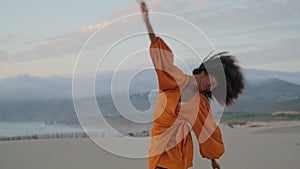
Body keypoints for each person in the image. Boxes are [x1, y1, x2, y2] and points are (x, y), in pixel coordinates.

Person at [140, 2, 244, 169]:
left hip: (179, 155)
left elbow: (207, 129)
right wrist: (147, 21)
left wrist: (213, 160)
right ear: (205, 71)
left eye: (215, 87)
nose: (212, 87)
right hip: (159, 150)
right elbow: (161, 57)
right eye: (214, 81)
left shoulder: (200, 103)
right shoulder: (176, 79)